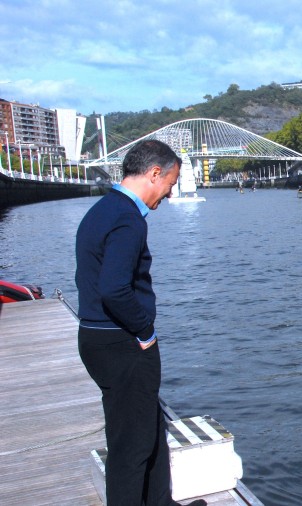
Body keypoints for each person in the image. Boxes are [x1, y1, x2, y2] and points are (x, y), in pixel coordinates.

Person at [75, 140, 206, 506]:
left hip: (96, 337)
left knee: (148, 429)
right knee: (130, 448)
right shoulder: (128, 220)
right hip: (123, 343)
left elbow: (89, 278)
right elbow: (114, 289)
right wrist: (145, 332)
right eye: (170, 182)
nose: (169, 193)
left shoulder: (101, 210)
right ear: (154, 173)